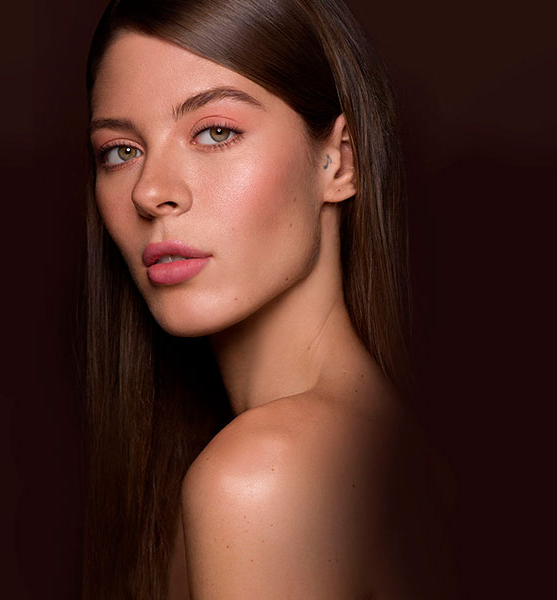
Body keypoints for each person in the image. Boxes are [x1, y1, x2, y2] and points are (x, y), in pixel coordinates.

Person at [83, 0, 455, 598]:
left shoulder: (261, 478)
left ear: (340, 162)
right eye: (121, 151)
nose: (150, 191)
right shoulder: (388, 447)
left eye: (215, 132)